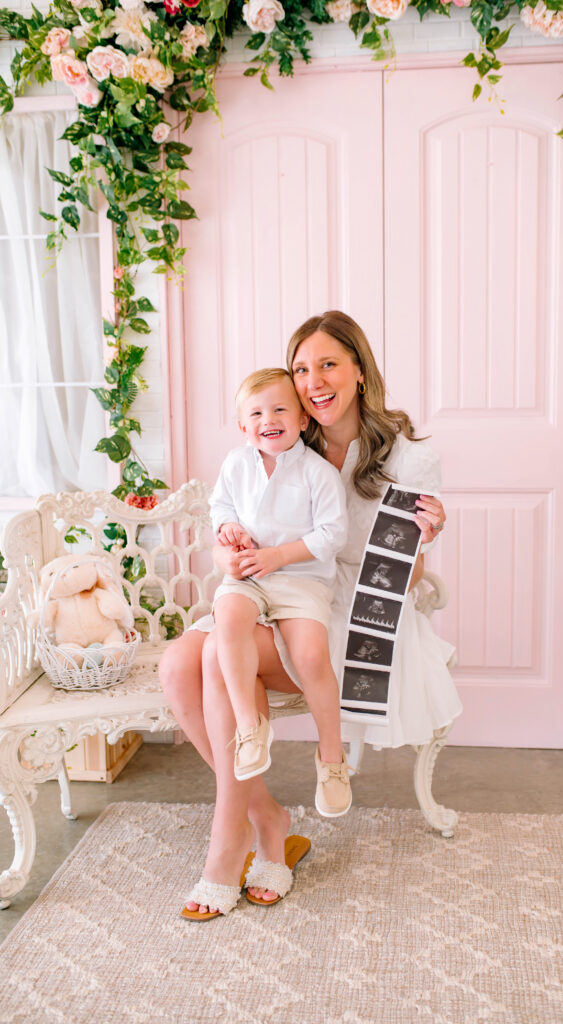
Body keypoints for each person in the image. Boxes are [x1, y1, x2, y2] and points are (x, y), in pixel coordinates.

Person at [160, 311, 462, 918]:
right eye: (301, 368)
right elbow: (230, 524)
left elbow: (403, 577)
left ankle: (231, 843)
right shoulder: (280, 436)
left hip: (347, 604)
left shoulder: (404, 456)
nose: (313, 380)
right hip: (272, 584)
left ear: (358, 368)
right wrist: (230, 549)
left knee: (221, 655)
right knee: (175, 666)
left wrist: (425, 540)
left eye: (328, 363)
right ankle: (265, 815)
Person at [209, 367, 351, 818]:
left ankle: (332, 757)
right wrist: (226, 526)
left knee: (311, 654)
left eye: (279, 408)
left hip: (301, 579)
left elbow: (333, 534)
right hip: (249, 575)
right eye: (256, 411)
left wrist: (279, 557)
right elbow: (221, 505)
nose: (268, 418)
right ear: (243, 426)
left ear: (303, 420)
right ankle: (250, 727)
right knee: (227, 619)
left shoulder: (317, 473)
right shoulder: (236, 463)